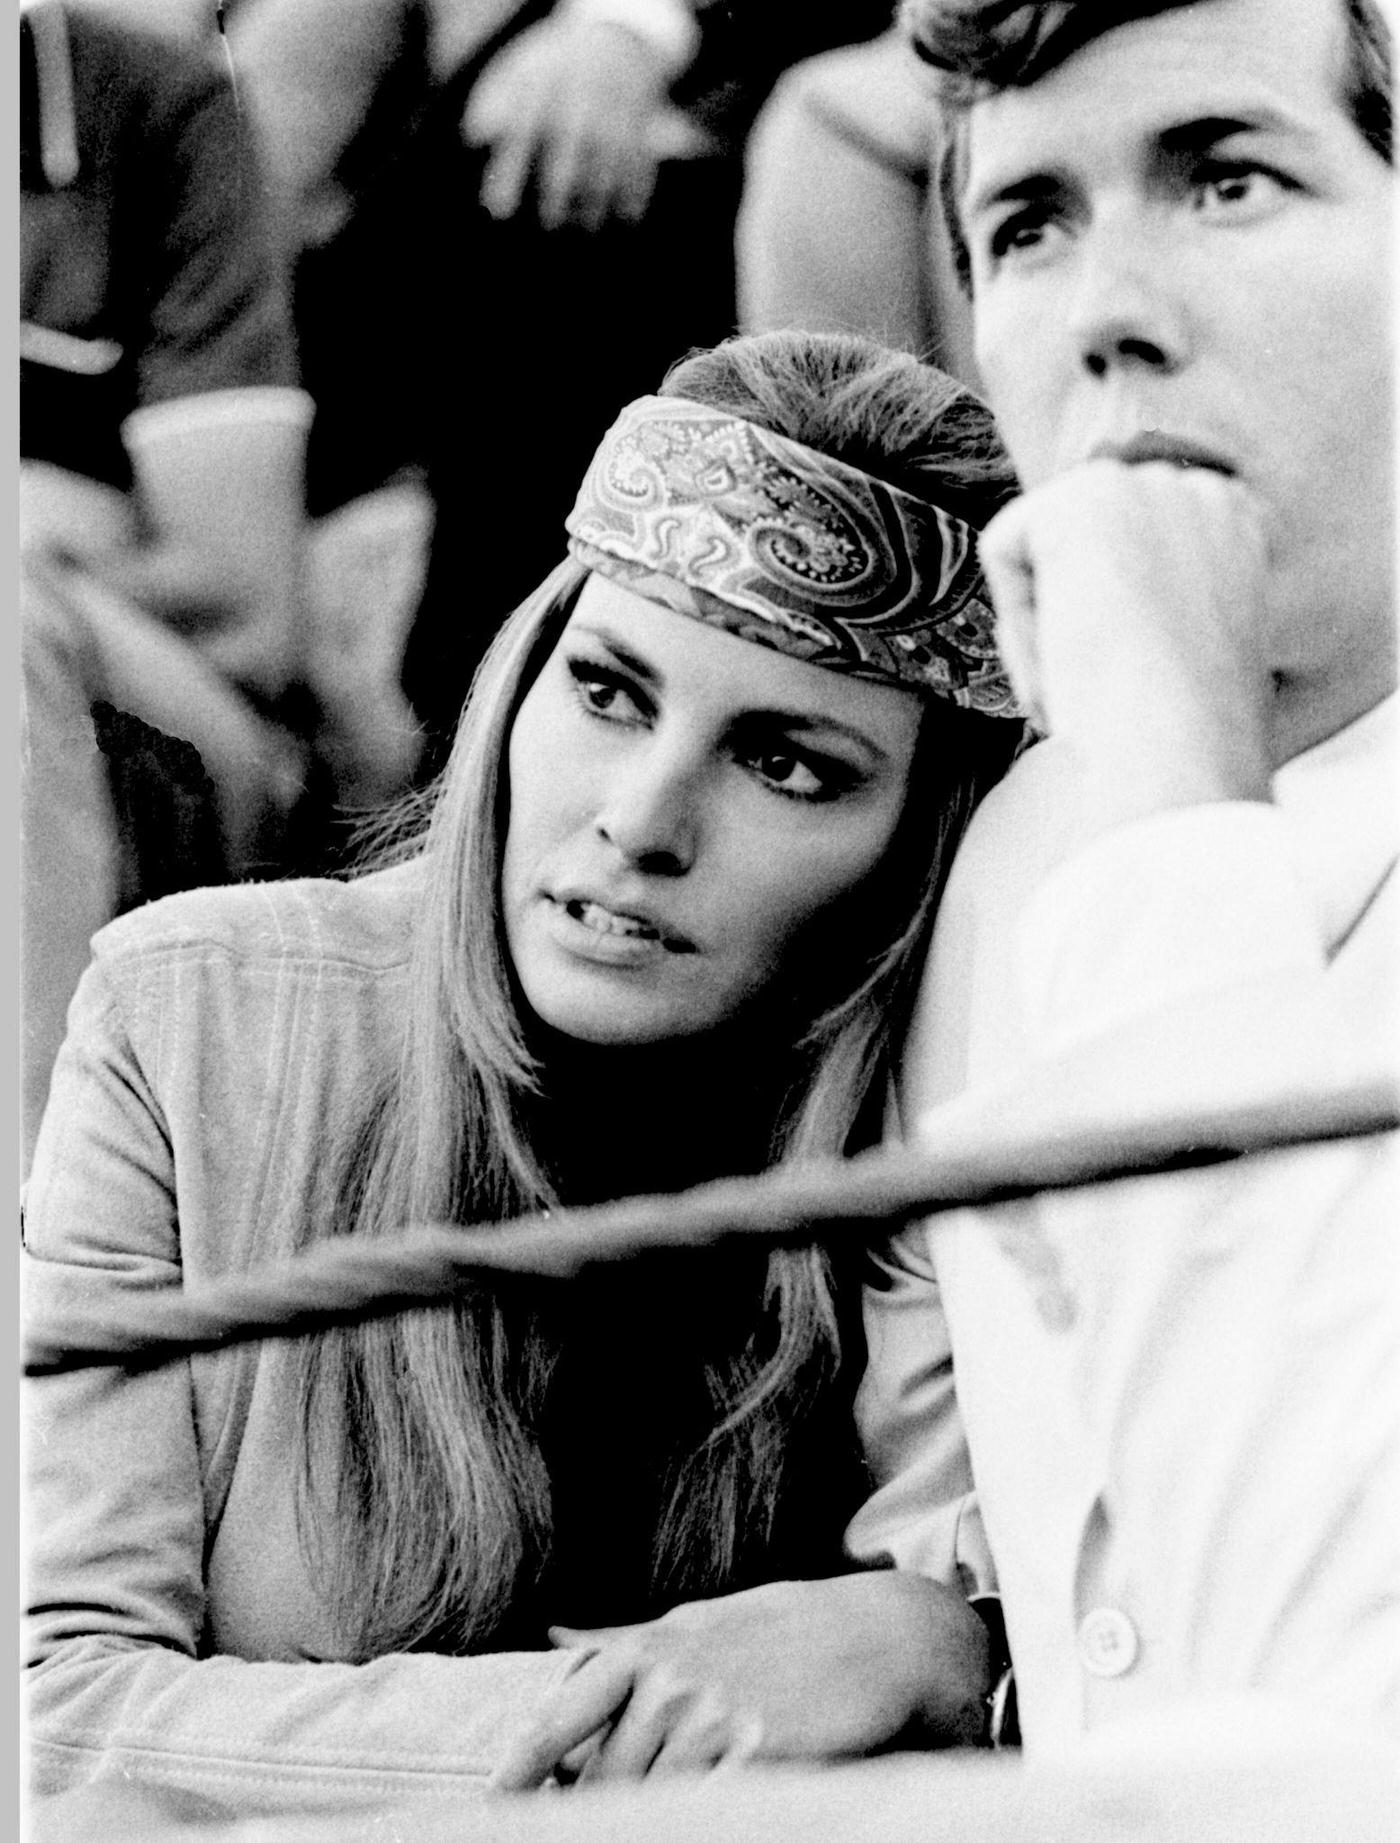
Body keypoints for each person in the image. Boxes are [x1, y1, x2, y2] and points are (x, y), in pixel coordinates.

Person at [24, 330, 1027, 1816]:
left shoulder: (932, 1106)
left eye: (788, 764)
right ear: (521, 679)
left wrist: (943, 1641)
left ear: (914, 847)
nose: (641, 819)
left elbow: (1039, 1682)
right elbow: (55, 1712)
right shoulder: (197, 1022)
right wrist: (670, 1713)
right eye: (612, 691)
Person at [849, 0, 1398, 1757]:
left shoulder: (1119, 809)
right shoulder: (1014, 842)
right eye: (1027, 226)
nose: (1105, 317)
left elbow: (1331, 1683)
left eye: (1228, 181)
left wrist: (1171, 788)